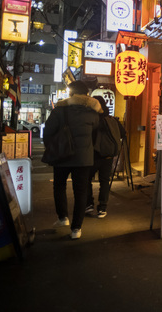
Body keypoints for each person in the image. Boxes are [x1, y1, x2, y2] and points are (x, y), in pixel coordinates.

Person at [43, 81, 101, 240]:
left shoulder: (60, 111)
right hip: (84, 159)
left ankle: (63, 218)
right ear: (86, 94)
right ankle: (76, 228)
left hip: (62, 155)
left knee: (59, 185)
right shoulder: (93, 113)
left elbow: (47, 132)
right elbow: (95, 136)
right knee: (81, 192)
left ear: (70, 93)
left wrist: (53, 148)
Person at [85, 96, 126, 219]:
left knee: (87, 180)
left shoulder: (89, 119)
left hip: (91, 156)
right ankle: (102, 208)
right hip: (107, 157)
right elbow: (123, 133)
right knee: (104, 182)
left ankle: (89, 204)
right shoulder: (111, 120)